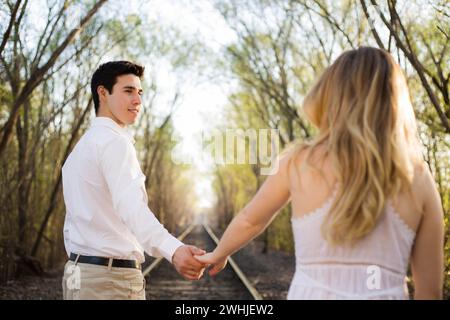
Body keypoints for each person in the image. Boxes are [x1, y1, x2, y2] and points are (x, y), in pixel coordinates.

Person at [195, 47, 444, 300]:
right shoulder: (418, 179)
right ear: (393, 102)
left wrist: (219, 253)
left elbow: (251, 220)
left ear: (331, 97)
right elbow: (430, 293)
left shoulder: (300, 162)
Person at [61, 61, 206, 300]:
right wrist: (174, 250)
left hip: (78, 276)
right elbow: (132, 208)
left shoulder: (79, 150)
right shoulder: (115, 142)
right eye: (128, 91)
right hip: (110, 281)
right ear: (103, 93)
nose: (138, 101)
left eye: (139, 93)